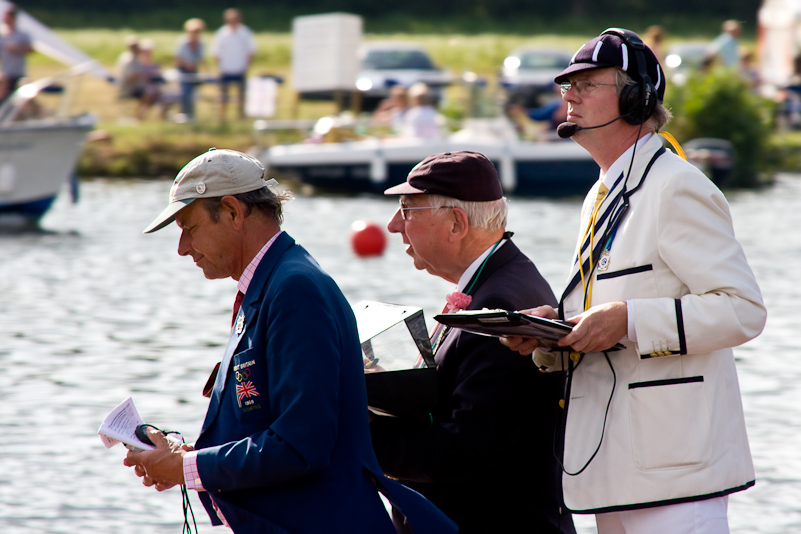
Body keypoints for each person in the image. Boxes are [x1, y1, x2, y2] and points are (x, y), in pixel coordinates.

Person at [501, 28, 767, 534]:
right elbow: (610, 318)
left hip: (676, 477)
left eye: (586, 83)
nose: (568, 96)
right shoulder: (603, 192)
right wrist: (553, 332)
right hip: (614, 472)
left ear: (634, 98)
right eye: (565, 86)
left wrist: (627, 319)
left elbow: (742, 310)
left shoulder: (677, 187)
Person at [123, 148, 457, 534]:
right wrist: (185, 463)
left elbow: (301, 445)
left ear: (232, 212)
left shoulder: (294, 289)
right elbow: (268, 427)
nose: (182, 247)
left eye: (189, 227)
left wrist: (184, 467)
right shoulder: (276, 283)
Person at [371, 150, 576, 534]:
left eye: (407, 208)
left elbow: (469, 450)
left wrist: (362, 439)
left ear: (456, 223)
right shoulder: (503, 281)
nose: (393, 224)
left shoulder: (497, 303)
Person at [211, 8, 256, 121]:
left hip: (240, 68)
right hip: (225, 69)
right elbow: (216, 52)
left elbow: (251, 51)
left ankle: (241, 116)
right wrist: (219, 67)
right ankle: (222, 117)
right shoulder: (222, 33)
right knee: (223, 96)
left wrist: (246, 66)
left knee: (241, 96)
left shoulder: (245, 32)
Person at [116, 36, 158, 121]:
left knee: (154, 91)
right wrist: (143, 76)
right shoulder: (129, 59)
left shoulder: (134, 58)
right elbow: (131, 77)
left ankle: (139, 117)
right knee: (149, 93)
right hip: (128, 88)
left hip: (135, 87)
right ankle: (138, 117)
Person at [175, 18, 206, 121]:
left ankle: (192, 115)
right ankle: (184, 114)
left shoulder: (201, 44)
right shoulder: (182, 42)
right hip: (183, 70)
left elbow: (201, 59)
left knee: (194, 95)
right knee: (185, 94)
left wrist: (206, 70)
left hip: (194, 71)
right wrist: (187, 65)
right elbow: (178, 57)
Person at [0, 3, 33, 102]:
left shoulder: (22, 35)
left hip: (18, 73)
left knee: (19, 100)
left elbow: (30, 49)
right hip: (6, 74)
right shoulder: (2, 36)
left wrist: (17, 48)